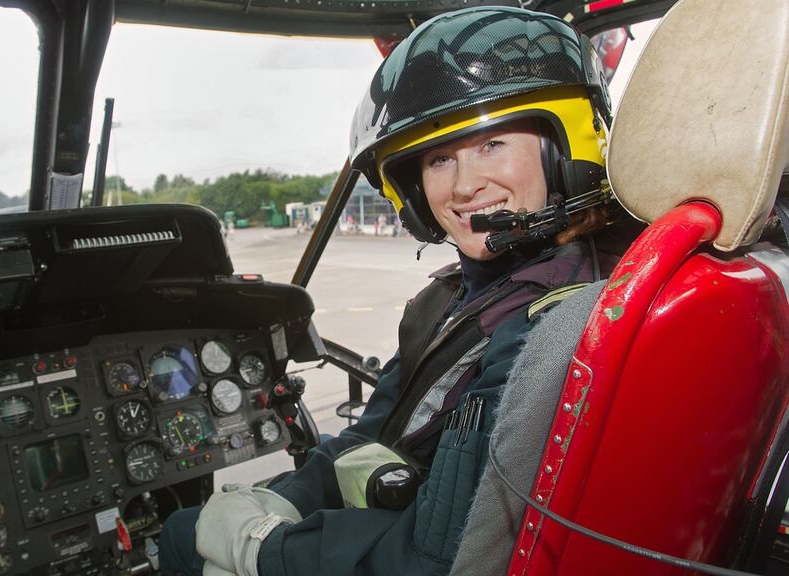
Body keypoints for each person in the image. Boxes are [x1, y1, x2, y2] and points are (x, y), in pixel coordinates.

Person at [160, 7, 639, 575]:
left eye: (491, 145)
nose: (464, 186)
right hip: (403, 523)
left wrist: (263, 546)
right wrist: (284, 499)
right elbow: (374, 435)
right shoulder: (455, 297)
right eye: (439, 158)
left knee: (183, 535)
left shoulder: (548, 330)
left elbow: (430, 561)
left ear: (565, 148)